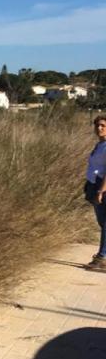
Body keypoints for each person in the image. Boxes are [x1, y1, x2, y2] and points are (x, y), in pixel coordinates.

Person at [83, 115, 106, 272]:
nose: (99, 128)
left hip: (102, 187)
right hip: (94, 184)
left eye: (103, 125)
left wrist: (101, 190)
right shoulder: (100, 145)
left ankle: (101, 257)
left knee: (105, 223)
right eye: (97, 125)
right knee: (102, 223)